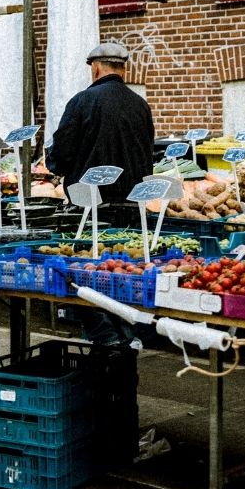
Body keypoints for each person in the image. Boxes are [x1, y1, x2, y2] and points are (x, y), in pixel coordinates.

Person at [46, 41, 155, 347]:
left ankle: (108, 341)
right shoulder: (140, 105)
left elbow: (61, 154)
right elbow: (148, 152)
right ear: (123, 68)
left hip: (92, 209)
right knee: (122, 273)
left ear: (95, 68)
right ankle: (126, 336)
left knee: (89, 275)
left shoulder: (82, 102)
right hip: (133, 206)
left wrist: (53, 162)